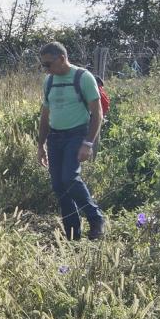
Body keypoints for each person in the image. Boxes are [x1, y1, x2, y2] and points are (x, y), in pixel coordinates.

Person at [36, 41, 106, 240]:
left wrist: (88, 143)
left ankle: (95, 218)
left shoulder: (82, 77)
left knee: (69, 178)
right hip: (55, 137)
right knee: (59, 185)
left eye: (48, 64)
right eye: (43, 66)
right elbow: (45, 115)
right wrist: (41, 145)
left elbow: (97, 113)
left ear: (62, 59)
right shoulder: (49, 81)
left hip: (77, 134)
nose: (46, 69)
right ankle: (73, 234)